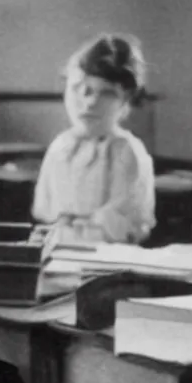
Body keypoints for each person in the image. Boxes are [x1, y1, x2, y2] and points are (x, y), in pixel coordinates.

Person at [32, 34, 155, 245]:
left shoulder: (126, 151)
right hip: (59, 249)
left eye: (107, 93)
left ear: (125, 101)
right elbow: (45, 211)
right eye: (80, 89)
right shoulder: (60, 147)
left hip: (106, 254)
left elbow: (128, 226)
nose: (89, 103)